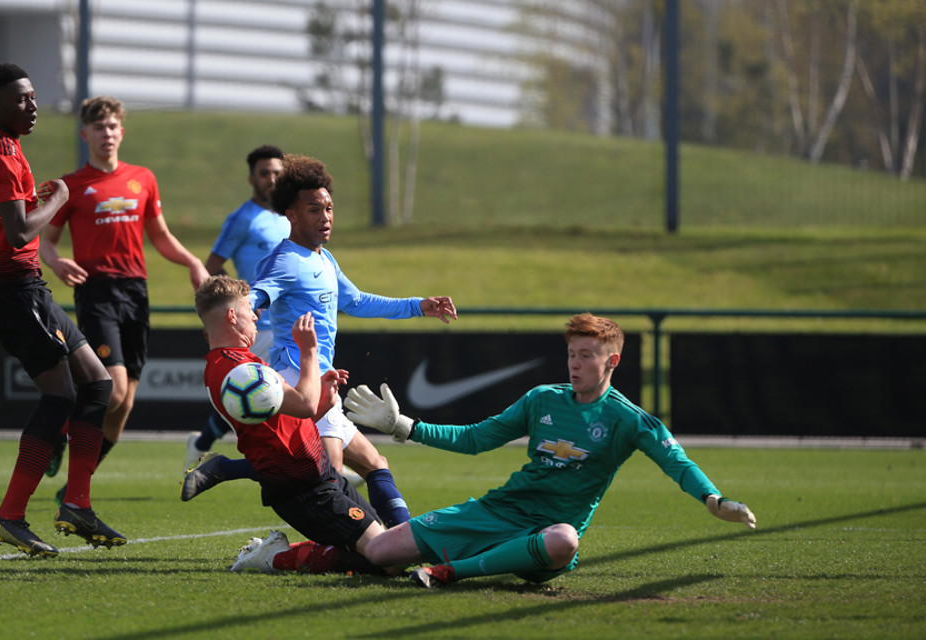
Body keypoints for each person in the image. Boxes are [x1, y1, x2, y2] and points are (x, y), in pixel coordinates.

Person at [341, 312, 757, 588]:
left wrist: (713, 498)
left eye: (586, 356)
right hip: (498, 511)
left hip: (545, 534)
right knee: (380, 552)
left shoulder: (627, 420)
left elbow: (676, 461)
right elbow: (475, 439)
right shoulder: (542, 398)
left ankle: (449, 571)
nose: (575, 364)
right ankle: (292, 556)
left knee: (565, 541)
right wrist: (403, 426)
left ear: (611, 361)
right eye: (571, 354)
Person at [182, 154, 457, 531]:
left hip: (321, 376)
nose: (325, 216)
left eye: (329, 208)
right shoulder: (284, 260)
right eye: (315, 209)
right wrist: (240, 308)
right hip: (300, 377)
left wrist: (417, 306)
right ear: (291, 215)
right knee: (327, 478)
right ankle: (345, 549)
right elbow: (257, 295)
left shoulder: (324, 258)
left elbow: (356, 301)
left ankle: (401, 540)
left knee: (375, 464)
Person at [0, 63, 126, 556]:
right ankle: (9, 515)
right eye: (20, 100)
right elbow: (18, 232)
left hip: (25, 287)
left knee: (97, 383)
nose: (31, 106)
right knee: (59, 397)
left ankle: (77, 503)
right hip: (11, 291)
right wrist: (59, 200)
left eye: (32, 97)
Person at [40, 96, 208, 499]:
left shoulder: (143, 179)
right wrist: (58, 263)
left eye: (113, 127)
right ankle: (56, 436)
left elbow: (161, 236)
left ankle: (74, 487)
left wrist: (192, 262)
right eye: (99, 128)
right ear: (85, 135)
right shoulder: (71, 186)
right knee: (112, 391)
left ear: (122, 132)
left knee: (123, 407)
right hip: (96, 293)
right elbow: (45, 242)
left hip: (136, 292)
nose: (107, 134)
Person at [192, 275, 395, 575]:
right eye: (250, 309)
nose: (257, 315)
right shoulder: (237, 372)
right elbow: (303, 404)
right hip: (303, 490)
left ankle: (284, 554)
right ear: (232, 316)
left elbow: (294, 417)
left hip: (319, 476)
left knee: (392, 549)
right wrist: (308, 351)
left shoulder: (234, 363)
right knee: (390, 560)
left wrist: (322, 401)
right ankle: (275, 558)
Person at [182, 145, 287, 473]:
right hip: (257, 323)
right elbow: (213, 266)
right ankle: (318, 457)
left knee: (273, 390)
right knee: (261, 391)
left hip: (287, 321)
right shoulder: (242, 219)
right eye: (264, 173)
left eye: (277, 173)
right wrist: (243, 301)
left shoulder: (291, 217)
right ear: (251, 178)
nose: (271, 179)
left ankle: (201, 444)